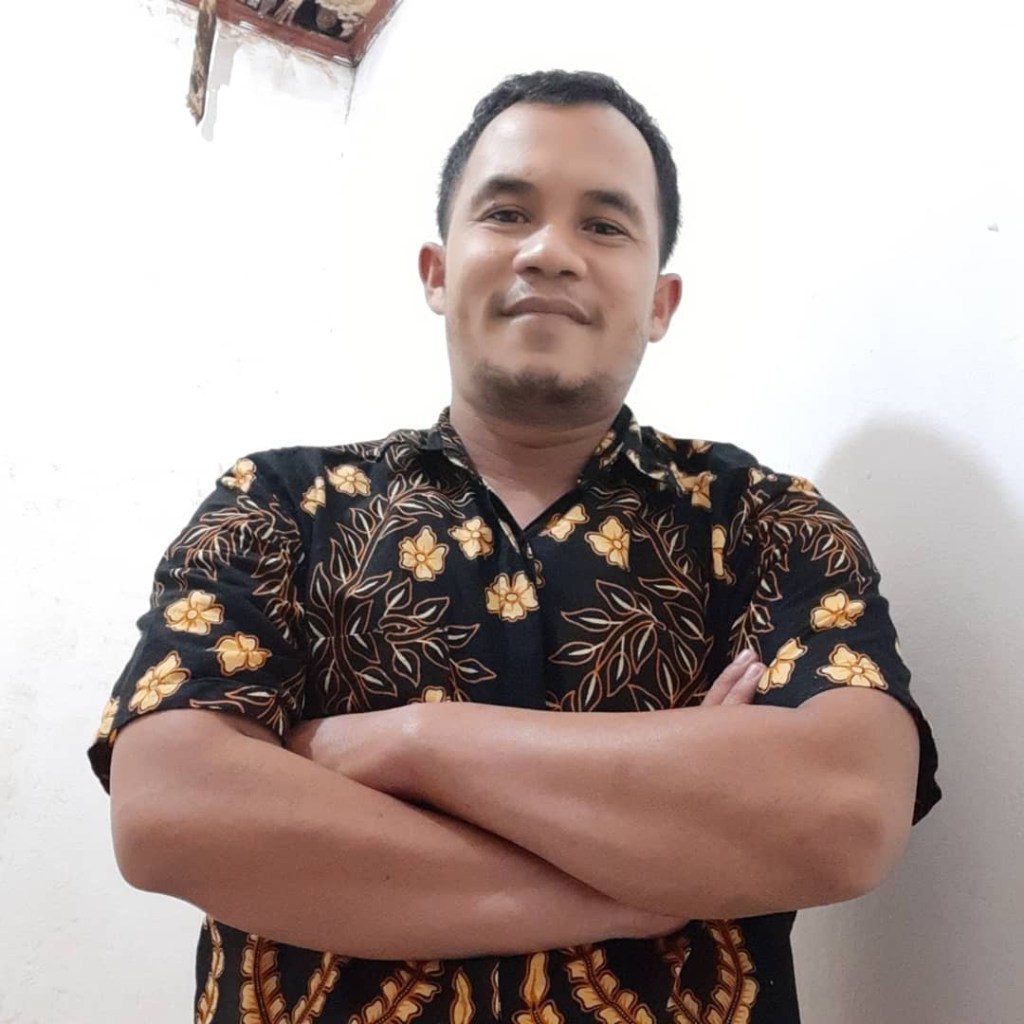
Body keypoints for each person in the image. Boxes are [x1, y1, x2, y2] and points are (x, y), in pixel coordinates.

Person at [90, 70, 940, 1022]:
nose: (550, 252)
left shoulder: (764, 524)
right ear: (436, 270)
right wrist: (635, 885)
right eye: (506, 214)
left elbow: (841, 815)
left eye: (604, 225)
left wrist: (413, 741)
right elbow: (172, 812)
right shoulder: (277, 507)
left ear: (660, 301)